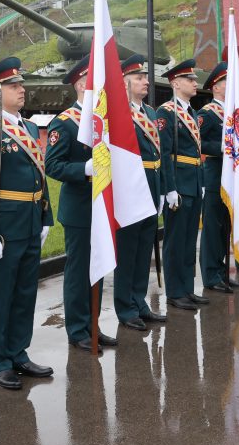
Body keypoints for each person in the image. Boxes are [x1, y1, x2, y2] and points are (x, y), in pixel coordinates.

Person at [0, 57, 54, 390]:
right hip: (5, 228)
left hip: (31, 222)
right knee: (2, 295)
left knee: (25, 292)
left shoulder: (29, 128)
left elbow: (39, 176)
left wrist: (45, 215)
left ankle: (19, 351)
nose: (22, 90)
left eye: (21, 85)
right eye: (14, 86)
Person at [45, 55, 118, 352]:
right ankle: (77, 330)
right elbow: (53, 165)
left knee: (98, 268)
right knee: (79, 271)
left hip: (101, 203)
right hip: (79, 207)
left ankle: (93, 325)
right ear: (79, 84)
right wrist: (84, 170)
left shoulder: (104, 119)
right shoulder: (64, 122)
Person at [113, 54, 167, 331]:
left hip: (151, 183)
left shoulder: (150, 113)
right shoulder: (118, 113)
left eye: (145, 77)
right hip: (131, 186)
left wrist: (163, 189)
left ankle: (139, 301)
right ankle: (125, 307)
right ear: (123, 83)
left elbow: (160, 154)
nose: (146, 81)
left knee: (144, 248)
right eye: (139, 78)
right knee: (128, 249)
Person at [156, 59, 209, 310]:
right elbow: (164, 154)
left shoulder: (192, 112)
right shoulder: (166, 113)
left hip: (194, 180)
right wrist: (169, 188)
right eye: (190, 79)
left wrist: (201, 181)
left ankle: (187, 288)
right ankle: (175, 292)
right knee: (176, 240)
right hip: (178, 182)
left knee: (189, 239)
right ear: (176, 83)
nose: (194, 83)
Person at [197, 62, 239, 294]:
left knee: (226, 227)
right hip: (215, 177)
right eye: (226, 82)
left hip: (232, 179)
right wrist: (223, 148)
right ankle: (210, 274)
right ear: (215, 87)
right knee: (213, 229)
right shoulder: (207, 113)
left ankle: (223, 271)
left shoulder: (233, 112)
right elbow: (198, 143)